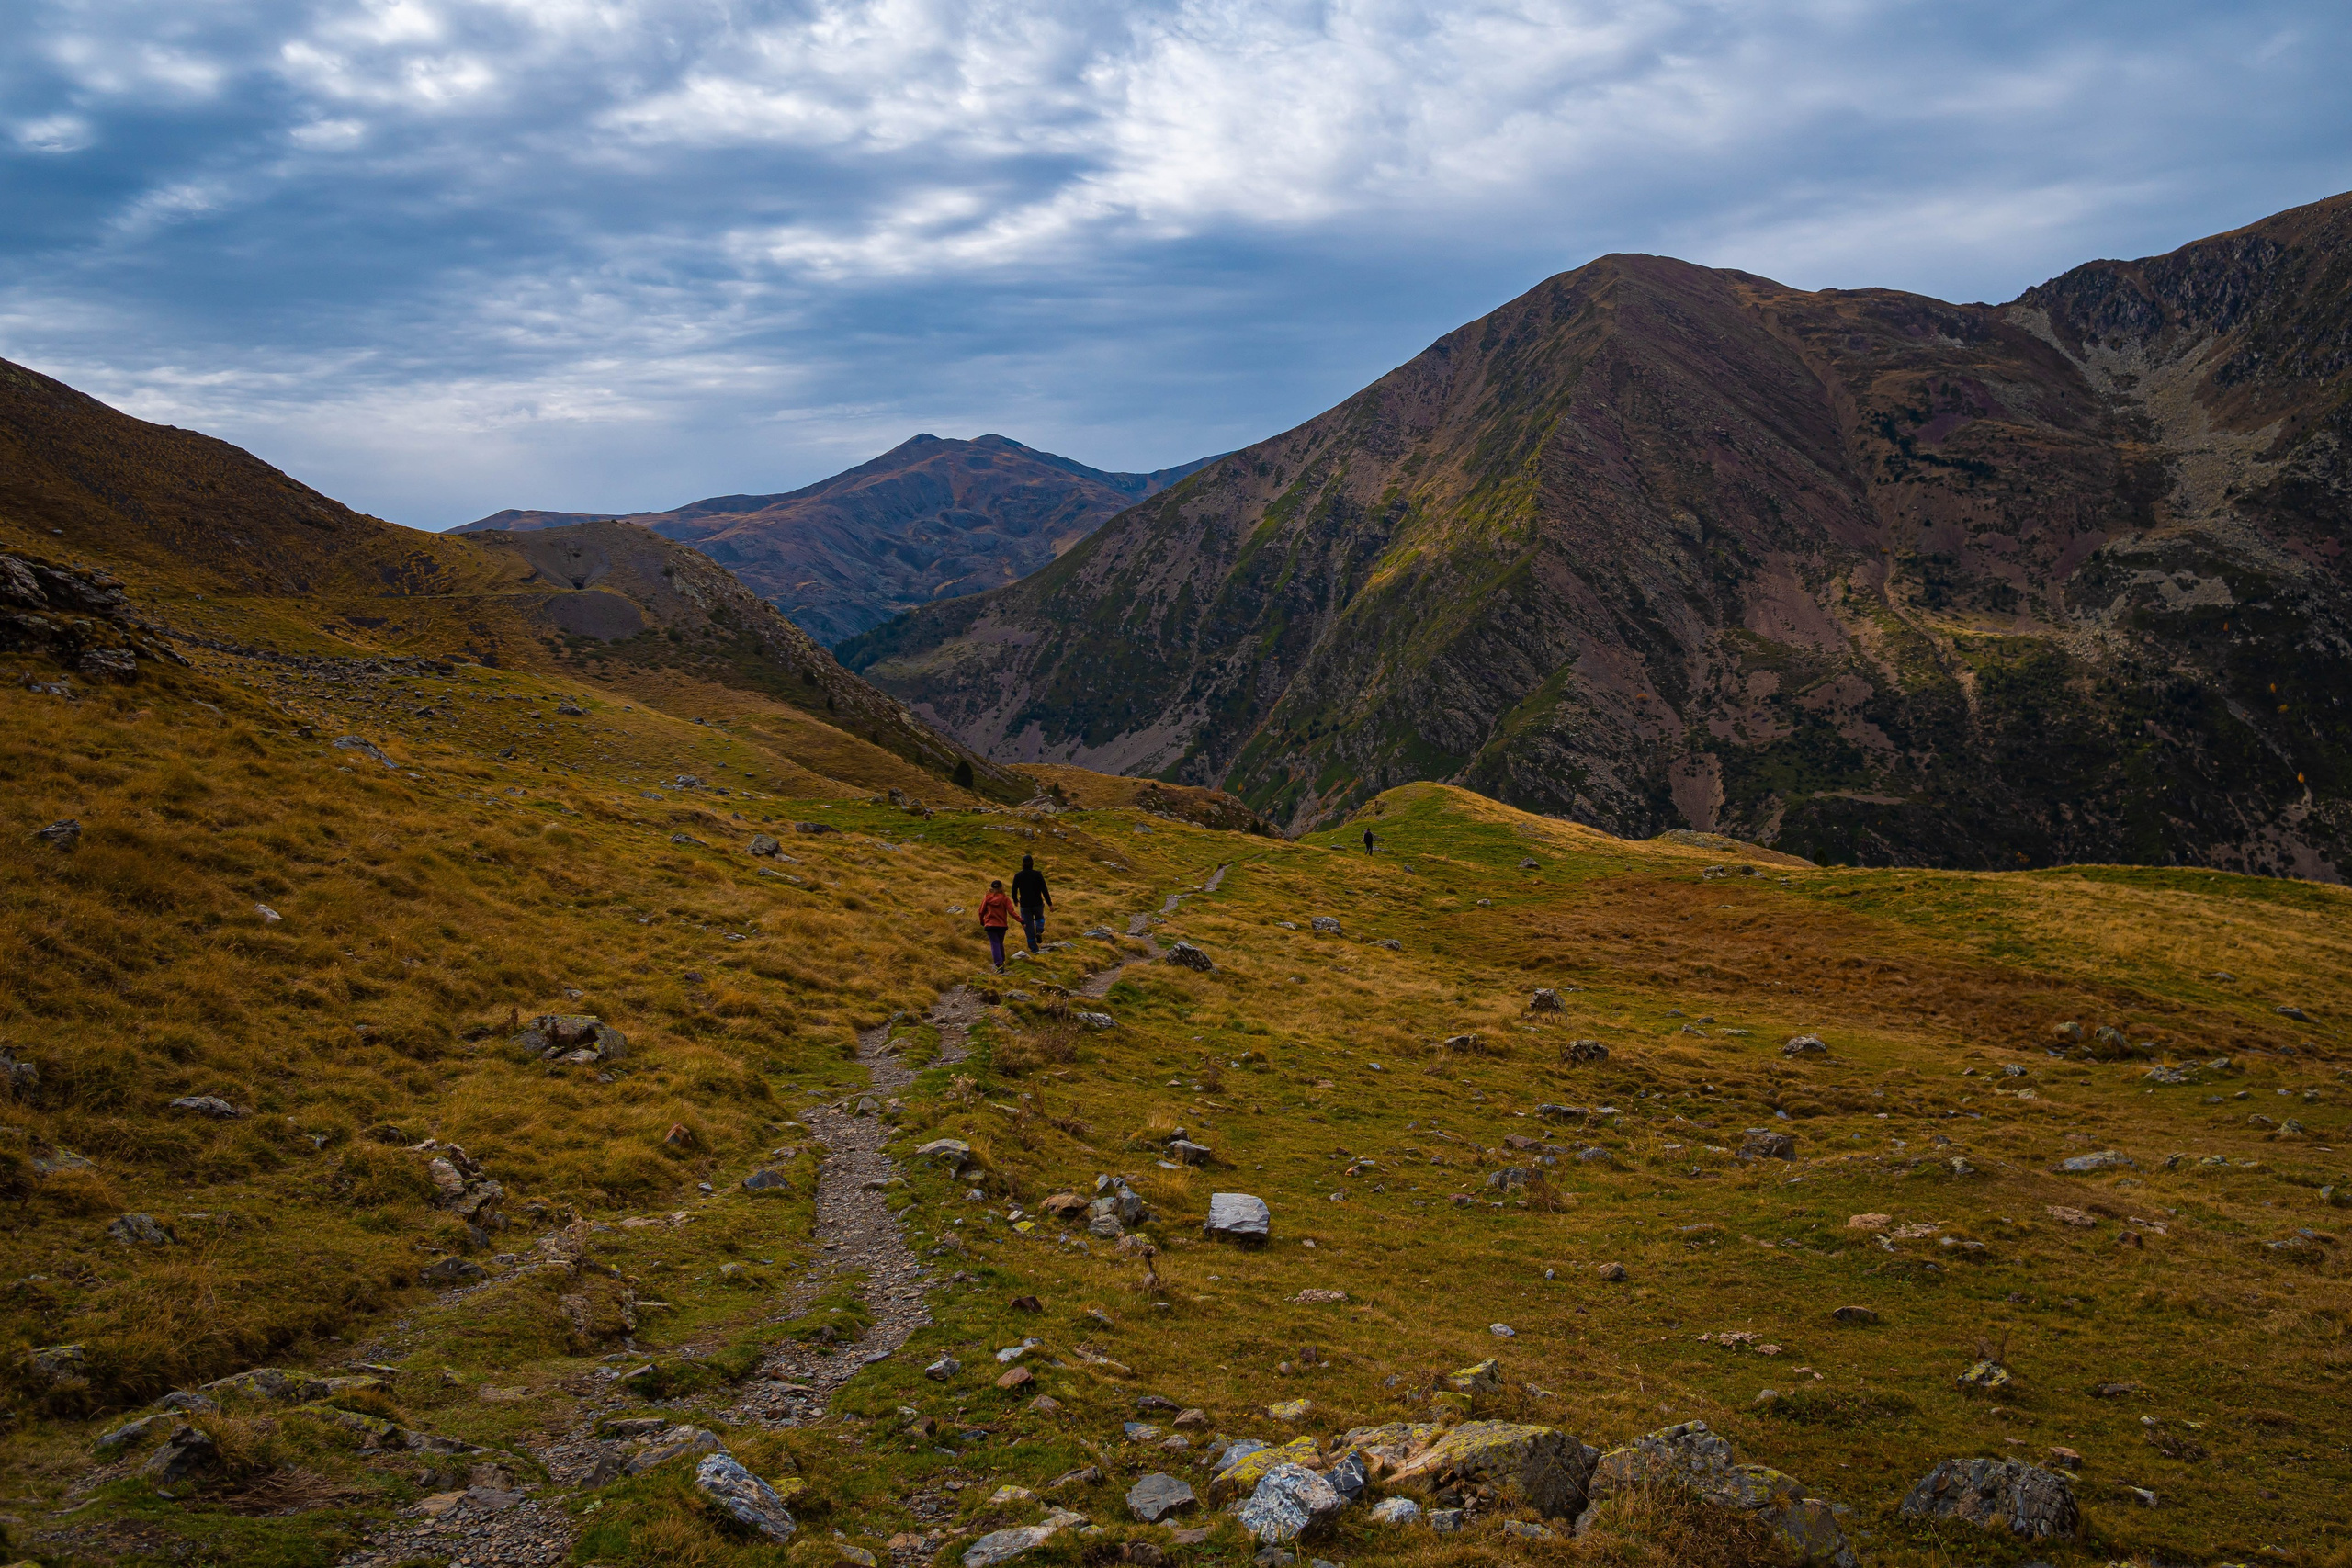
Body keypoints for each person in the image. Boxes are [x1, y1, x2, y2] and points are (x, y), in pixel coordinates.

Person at [1011, 852, 1053, 953]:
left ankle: (1034, 950)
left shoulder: (1018, 876)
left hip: (1025, 905)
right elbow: (1044, 889)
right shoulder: (1037, 874)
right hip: (1037, 903)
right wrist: (1050, 904)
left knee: (1028, 927)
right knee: (1040, 918)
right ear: (1032, 863)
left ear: (1023, 864)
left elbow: (1013, 890)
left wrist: (1015, 900)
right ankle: (1039, 930)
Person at [978, 879, 1013, 972]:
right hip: (1002, 925)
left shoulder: (987, 898)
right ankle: (1003, 961)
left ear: (991, 888)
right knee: (999, 943)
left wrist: (982, 921)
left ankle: (999, 964)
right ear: (1002, 887)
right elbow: (1011, 911)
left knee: (995, 944)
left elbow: (981, 911)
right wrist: (1021, 921)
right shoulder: (1004, 898)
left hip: (990, 924)